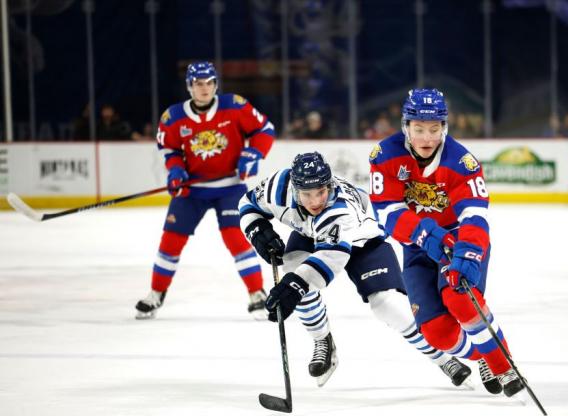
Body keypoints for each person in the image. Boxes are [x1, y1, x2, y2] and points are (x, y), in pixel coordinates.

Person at [239, 152, 472, 388]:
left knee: (386, 304)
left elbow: (330, 258)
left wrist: (294, 286)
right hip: (310, 235)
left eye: (321, 191)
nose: (315, 201)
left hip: (364, 241)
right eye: (307, 194)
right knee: (294, 271)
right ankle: (323, 342)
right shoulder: (278, 186)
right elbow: (247, 204)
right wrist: (257, 230)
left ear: (329, 184)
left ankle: (443, 357)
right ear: (294, 189)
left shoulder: (339, 210)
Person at [367, 88, 525, 397]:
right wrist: (423, 234)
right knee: (437, 333)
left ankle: (503, 366)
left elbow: (475, 215)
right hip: (416, 248)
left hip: (458, 242)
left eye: (434, 129)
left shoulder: (461, 162)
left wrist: (468, 251)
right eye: (419, 129)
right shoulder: (385, 156)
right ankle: (482, 354)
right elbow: (386, 211)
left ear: (444, 127)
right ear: (406, 127)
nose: (427, 138)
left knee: (460, 299)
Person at [134, 61, 275, 320]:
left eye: (209, 82)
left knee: (237, 240)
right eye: (199, 84)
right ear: (190, 86)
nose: (205, 88)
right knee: (170, 243)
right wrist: (176, 171)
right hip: (192, 190)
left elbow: (264, 130)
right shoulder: (174, 117)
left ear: (216, 84)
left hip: (230, 188)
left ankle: (257, 294)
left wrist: (252, 154)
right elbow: (170, 150)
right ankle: (156, 293)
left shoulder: (234, 105)